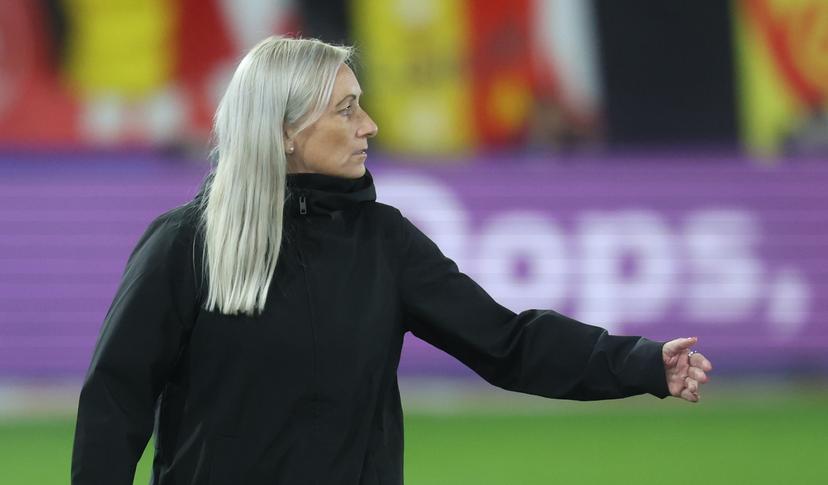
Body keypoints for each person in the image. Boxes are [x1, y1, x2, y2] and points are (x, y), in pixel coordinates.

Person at [71, 36, 713, 485]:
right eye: (346, 109)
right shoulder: (184, 244)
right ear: (285, 130)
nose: (369, 125)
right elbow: (115, 402)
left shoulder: (384, 242)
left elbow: (508, 343)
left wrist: (640, 363)